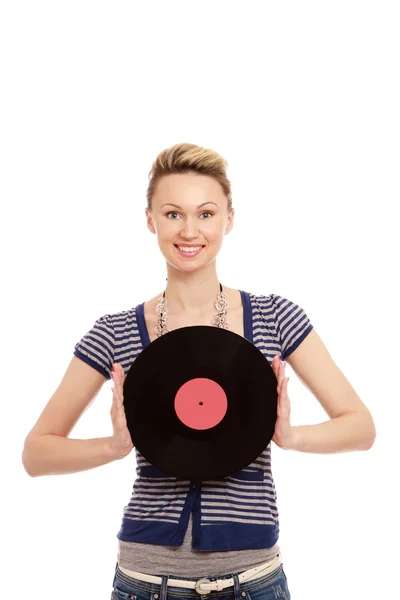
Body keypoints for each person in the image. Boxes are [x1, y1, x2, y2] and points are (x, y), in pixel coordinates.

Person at [22, 142, 376, 600]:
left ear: (229, 219)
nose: (190, 230)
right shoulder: (114, 332)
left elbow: (361, 427)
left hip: (253, 582)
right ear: (150, 219)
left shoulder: (275, 317)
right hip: (145, 585)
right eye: (173, 214)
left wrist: (291, 436)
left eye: (206, 214)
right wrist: (113, 446)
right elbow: (35, 454)